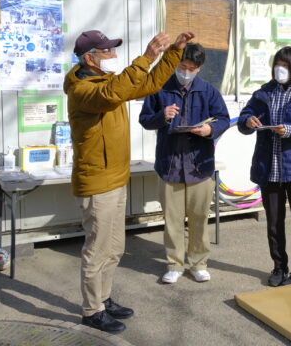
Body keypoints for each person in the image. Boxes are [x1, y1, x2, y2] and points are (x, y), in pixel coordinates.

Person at [64, 29, 194, 334]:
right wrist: (148, 56)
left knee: (114, 248)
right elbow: (113, 93)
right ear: (89, 58)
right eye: (107, 52)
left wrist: (173, 52)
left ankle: (104, 298)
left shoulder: (107, 81)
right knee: (97, 249)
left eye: (111, 51)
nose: (112, 56)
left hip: (115, 177)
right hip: (97, 181)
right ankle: (91, 309)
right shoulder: (82, 89)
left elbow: (148, 83)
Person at [139, 43, 230, 284]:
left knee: (199, 217)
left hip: (200, 165)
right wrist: (162, 116)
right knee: (172, 219)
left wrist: (210, 129)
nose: (186, 72)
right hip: (170, 164)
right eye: (182, 66)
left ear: (199, 69)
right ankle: (174, 264)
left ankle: (198, 263)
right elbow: (145, 120)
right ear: (175, 64)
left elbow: (223, 118)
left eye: (192, 68)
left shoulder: (208, 91)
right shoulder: (160, 88)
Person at [237, 46, 291, 287]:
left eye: (285, 66)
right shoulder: (264, 93)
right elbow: (245, 117)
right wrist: (248, 120)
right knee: (274, 222)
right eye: (277, 64)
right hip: (269, 168)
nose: (280, 69)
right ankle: (278, 267)